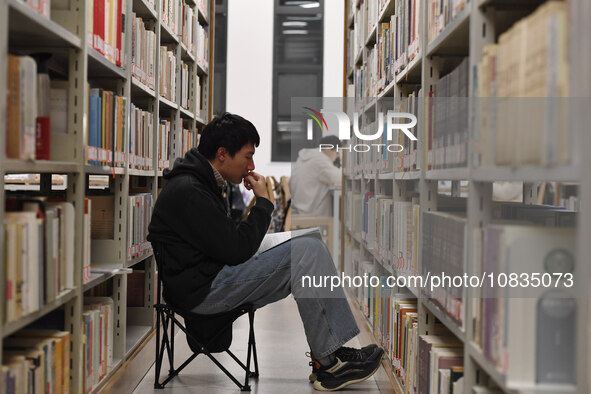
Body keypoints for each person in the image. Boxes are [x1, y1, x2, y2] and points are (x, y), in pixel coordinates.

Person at [147, 113, 384, 391]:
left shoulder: (199, 181)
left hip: (206, 278)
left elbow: (225, 241)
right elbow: (235, 250)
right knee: (305, 251)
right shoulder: (191, 190)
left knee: (311, 243)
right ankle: (329, 363)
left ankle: (329, 356)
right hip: (202, 292)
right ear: (222, 154)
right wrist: (263, 203)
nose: (252, 165)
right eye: (247, 157)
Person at [290, 135, 342, 217]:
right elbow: (340, 179)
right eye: (337, 152)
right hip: (309, 211)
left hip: (299, 206)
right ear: (328, 148)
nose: (338, 156)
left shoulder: (306, 156)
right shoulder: (320, 160)